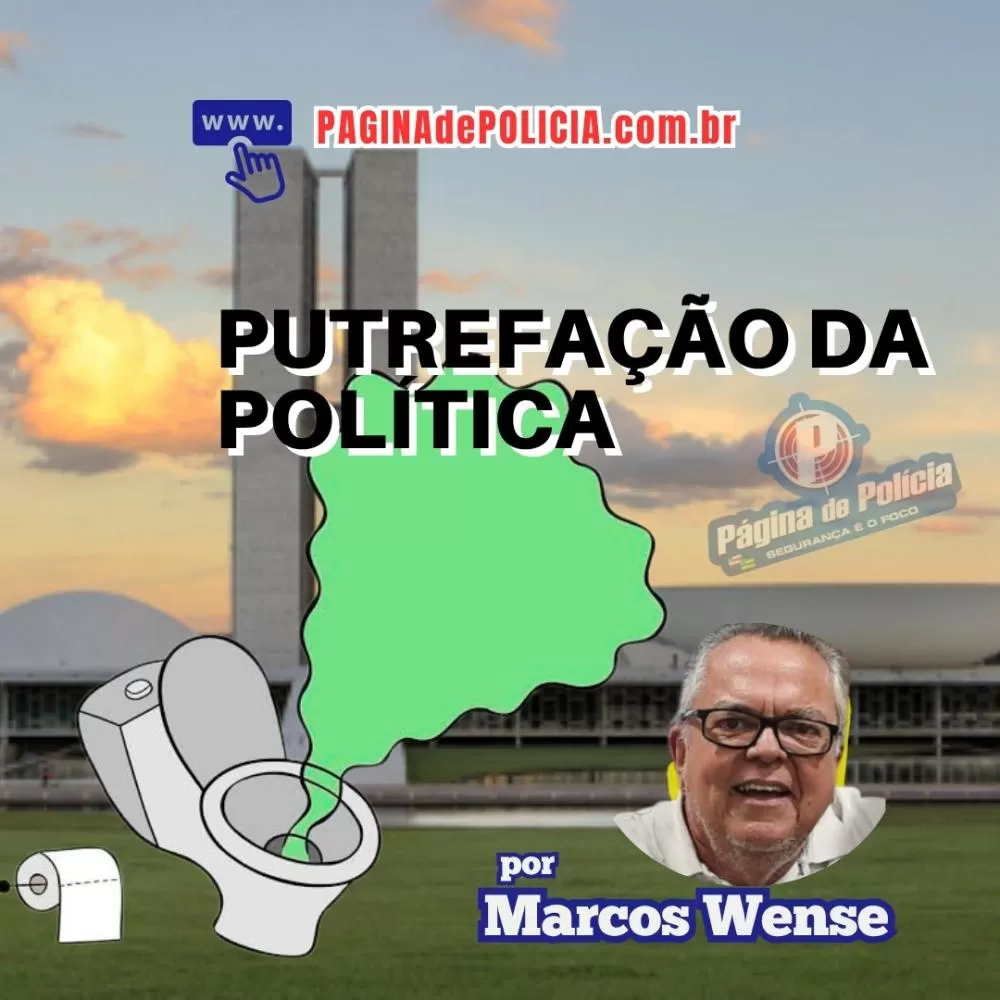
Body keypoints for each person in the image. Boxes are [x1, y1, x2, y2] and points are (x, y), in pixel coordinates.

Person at [614, 622, 884, 886]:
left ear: (836, 758)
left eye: (801, 728)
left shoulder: (868, 829)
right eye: (733, 724)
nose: (767, 749)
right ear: (681, 752)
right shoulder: (629, 848)